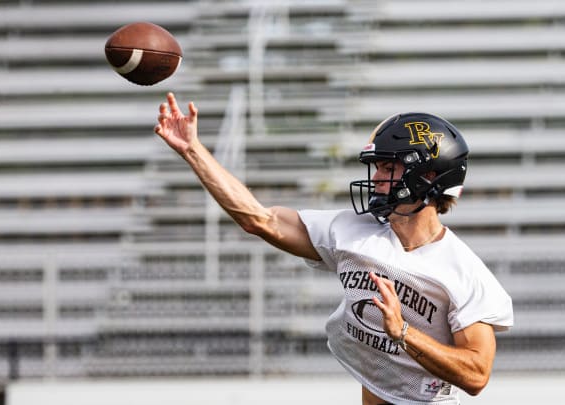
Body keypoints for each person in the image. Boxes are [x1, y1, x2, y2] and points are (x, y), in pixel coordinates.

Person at [154, 92, 514, 405]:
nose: (375, 178)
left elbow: (476, 374)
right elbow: (259, 219)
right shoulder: (354, 231)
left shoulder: (464, 272)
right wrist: (194, 151)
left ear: (429, 176)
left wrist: (403, 333)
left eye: (388, 167)